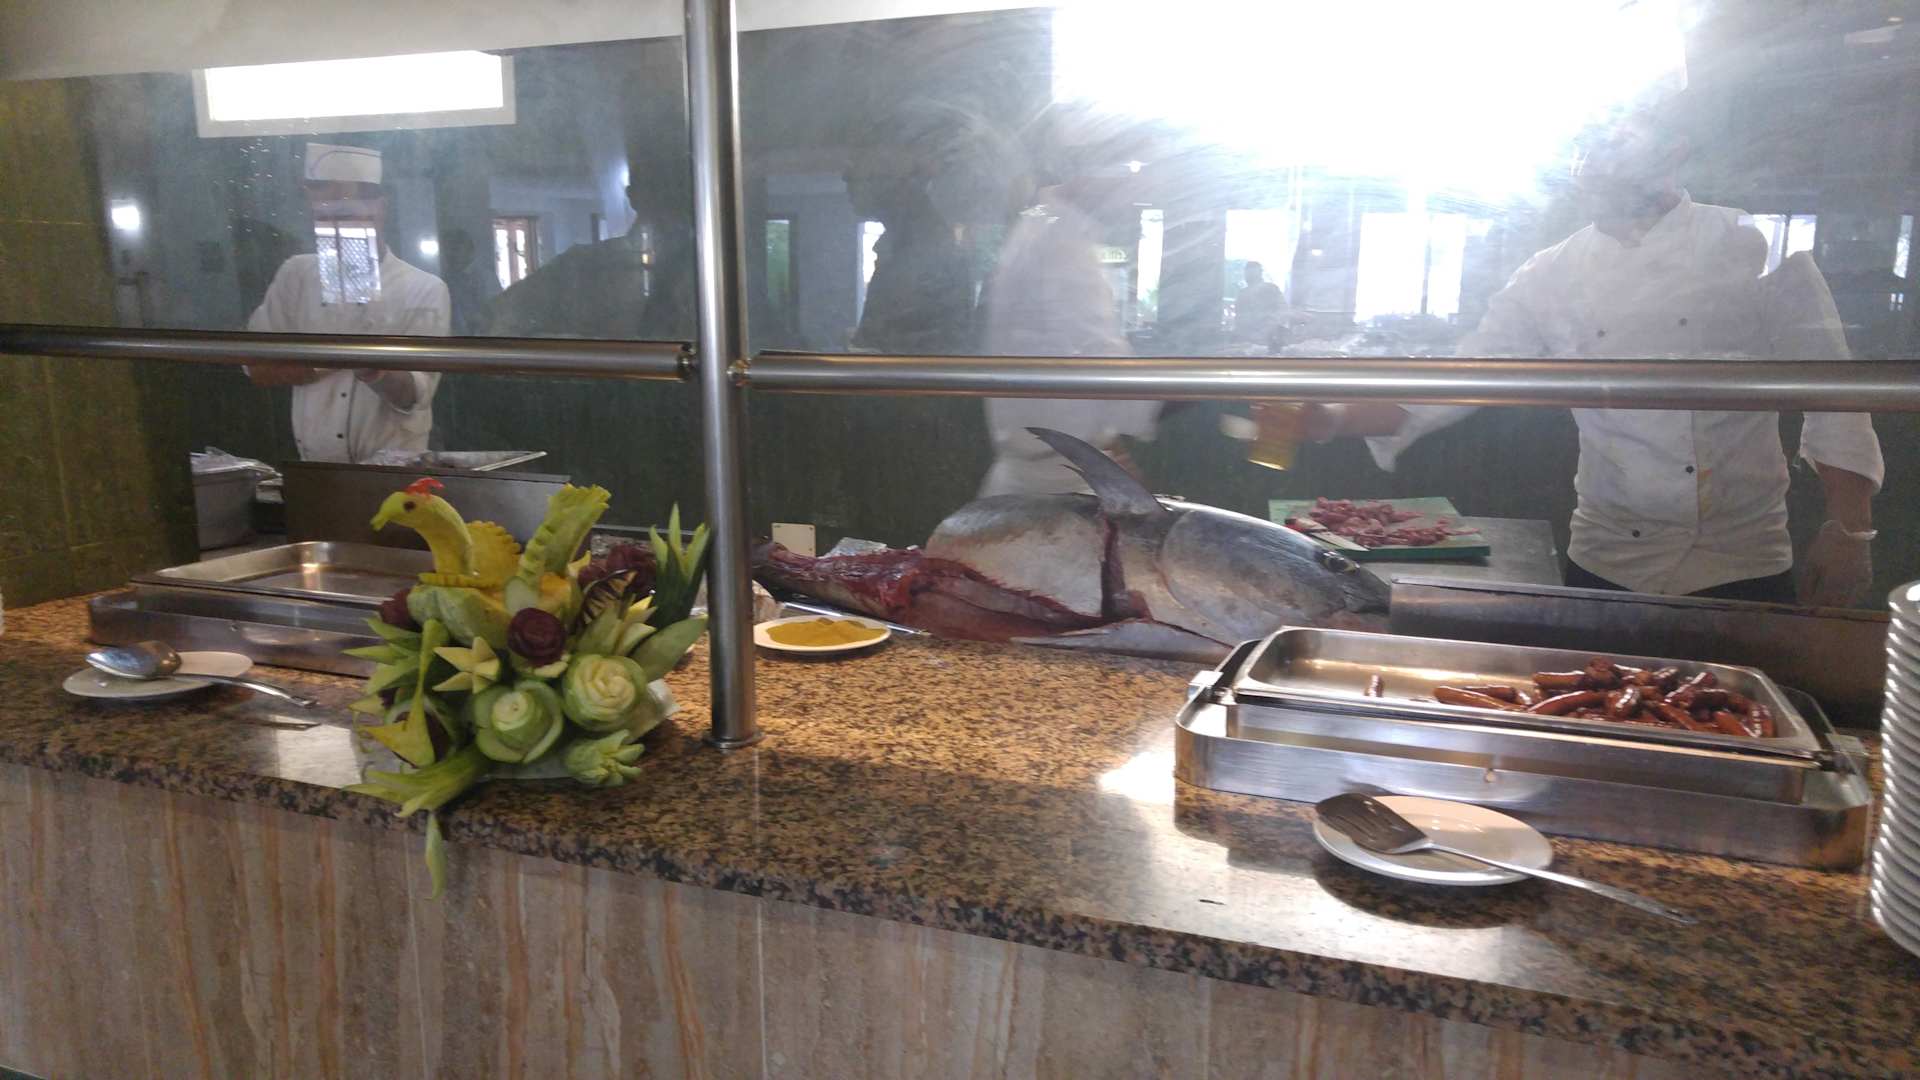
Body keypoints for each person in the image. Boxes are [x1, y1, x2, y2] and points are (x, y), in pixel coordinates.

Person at [1301, 105, 1882, 607]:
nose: (1591, 164)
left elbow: (1835, 392)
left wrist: (1850, 531)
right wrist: (1330, 417)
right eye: (1583, 151)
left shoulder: (1751, 243)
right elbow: (1463, 379)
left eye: (1614, 144)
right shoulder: (1550, 273)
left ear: (1672, 149)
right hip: (1608, 556)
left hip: (1744, 556)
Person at [245, 143, 449, 463]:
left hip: (396, 472)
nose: (338, 228)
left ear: (379, 209)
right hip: (316, 468)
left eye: (348, 214)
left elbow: (414, 394)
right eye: (325, 216)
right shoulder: (296, 275)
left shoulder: (423, 288)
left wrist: (372, 369)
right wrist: (335, 358)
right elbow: (257, 368)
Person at [1232, 261, 1289, 345]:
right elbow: (1239, 318)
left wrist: (1270, 328)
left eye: (1252, 272)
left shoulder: (1271, 289)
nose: (1248, 275)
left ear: (1260, 273)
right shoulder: (1242, 294)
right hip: (1247, 340)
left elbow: (1283, 310)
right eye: (1247, 272)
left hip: (1270, 339)